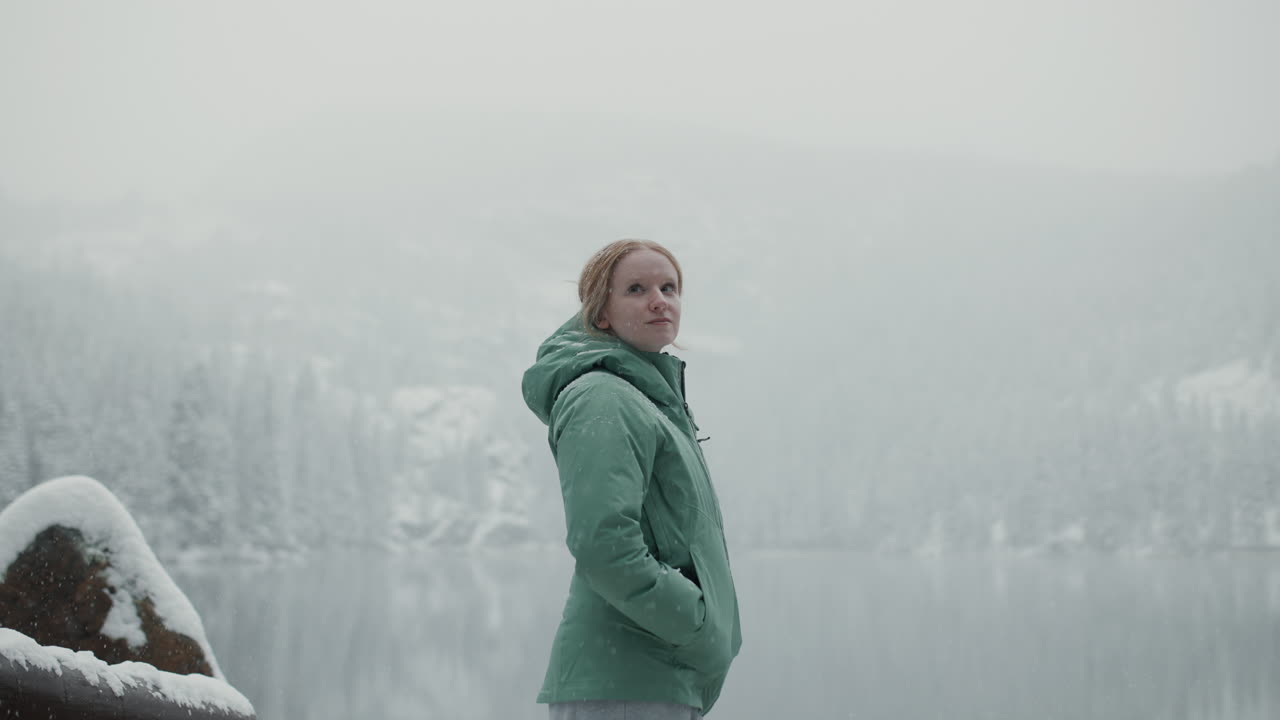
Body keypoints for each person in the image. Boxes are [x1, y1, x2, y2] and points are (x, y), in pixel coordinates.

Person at [522, 240, 742, 719]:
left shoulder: (647, 398)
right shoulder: (603, 396)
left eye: (669, 287)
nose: (659, 299)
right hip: (625, 684)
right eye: (637, 289)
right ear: (601, 313)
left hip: (649, 680)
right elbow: (603, 543)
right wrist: (693, 620)